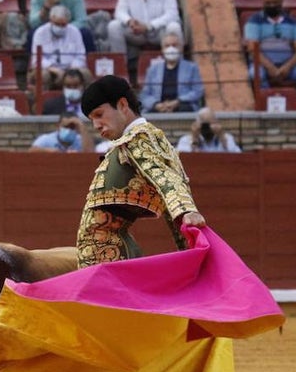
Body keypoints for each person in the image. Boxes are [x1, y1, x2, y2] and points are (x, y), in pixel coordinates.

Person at [76, 75, 206, 267]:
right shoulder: (145, 139)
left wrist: (187, 210)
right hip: (111, 255)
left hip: (109, 259)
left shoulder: (137, 139)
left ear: (122, 105)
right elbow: (167, 187)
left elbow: (165, 178)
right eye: (91, 119)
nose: (96, 125)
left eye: (99, 114)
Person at [105, 0, 182, 70]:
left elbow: (172, 13)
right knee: (113, 26)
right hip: (136, 32)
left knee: (174, 27)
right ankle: (120, 70)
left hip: (159, 32)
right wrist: (129, 21)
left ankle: (177, 68)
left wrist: (148, 26)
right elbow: (120, 11)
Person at [138, 32, 204, 113]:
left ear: (181, 48)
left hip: (182, 105)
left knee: (185, 109)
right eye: (167, 46)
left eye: (175, 45)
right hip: (158, 107)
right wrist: (156, 104)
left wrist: (177, 101)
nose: (171, 48)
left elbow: (197, 91)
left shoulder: (191, 68)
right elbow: (145, 94)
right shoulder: (153, 69)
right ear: (162, 49)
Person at [30, 4, 87, 89]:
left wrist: (70, 70)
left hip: (71, 69)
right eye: (57, 24)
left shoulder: (75, 32)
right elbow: (37, 60)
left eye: (63, 24)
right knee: (43, 75)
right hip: (49, 70)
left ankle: (85, 101)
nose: (60, 27)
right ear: (51, 20)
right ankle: (44, 101)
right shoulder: (40, 33)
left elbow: (80, 57)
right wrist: (55, 70)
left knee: (86, 74)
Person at [176, 108, 241, 153]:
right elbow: (182, 159)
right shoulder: (185, 140)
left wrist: (222, 137)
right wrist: (194, 138)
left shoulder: (227, 138)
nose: (208, 128)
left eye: (211, 123)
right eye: (205, 124)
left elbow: (236, 156)